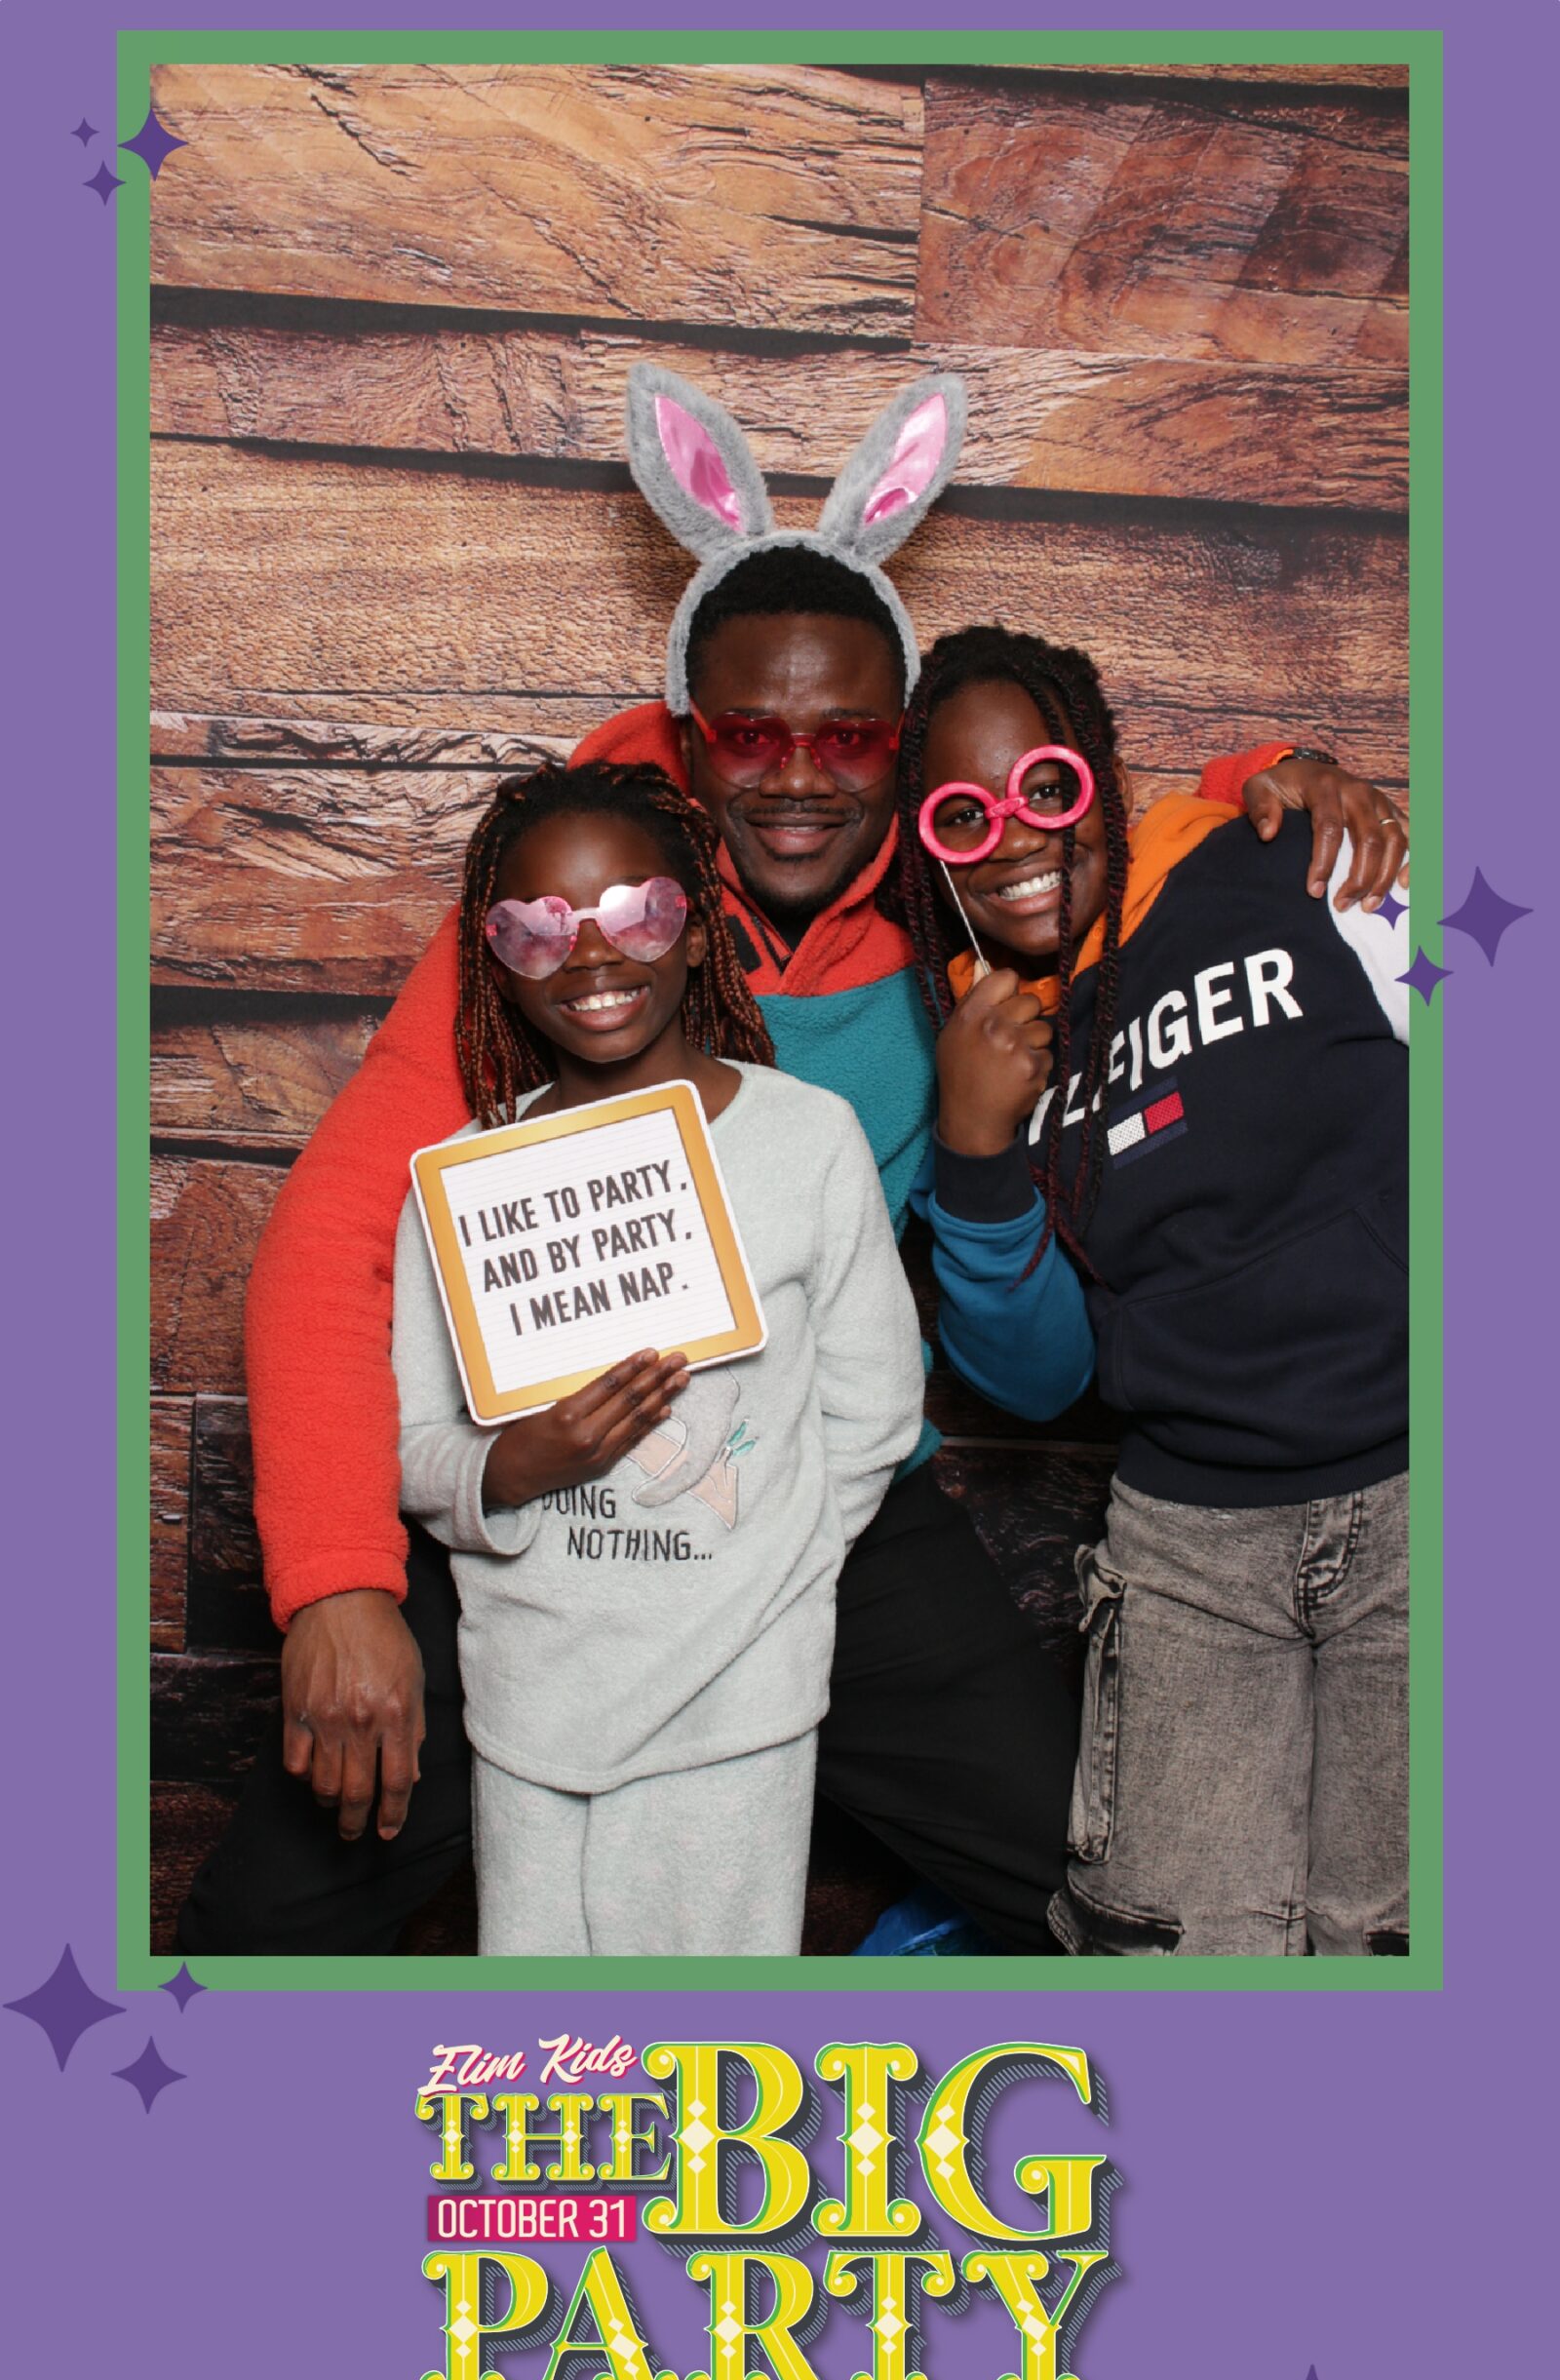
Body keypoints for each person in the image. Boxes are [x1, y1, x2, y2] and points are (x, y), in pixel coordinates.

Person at [176, 367, 1409, 1958]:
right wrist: (339, 1580)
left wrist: (1277, 783)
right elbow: (342, 1231)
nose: (802, 775)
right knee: (263, 1925)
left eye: (852, 739)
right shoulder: (579, 927)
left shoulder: (959, 898)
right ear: (688, 740)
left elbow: (1114, 834)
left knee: (1099, 1885)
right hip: (551, 1484)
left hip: (820, 1499)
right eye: (750, 735)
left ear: (903, 751)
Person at [897, 626, 1409, 1956]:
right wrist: (974, 1155)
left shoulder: (1282, 862)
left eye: (1046, 787)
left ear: (1106, 778)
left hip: (1422, 1498)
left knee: (1409, 1944)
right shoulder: (988, 1042)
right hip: (1192, 1554)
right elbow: (1041, 1379)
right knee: (1189, 1969)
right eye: (963, 817)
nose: (1014, 837)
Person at [391, 761, 921, 1954]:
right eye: (536, 928)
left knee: (708, 2048)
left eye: (637, 911)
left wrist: (768, 1574)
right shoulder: (464, 1182)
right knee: (553, 2049)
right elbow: (415, 1443)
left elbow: (874, 1410)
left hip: (739, 1696)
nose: (590, 953)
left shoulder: (807, 1139)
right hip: (535, 1693)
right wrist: (510, 1468)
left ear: (697, 926)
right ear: (495, 957)